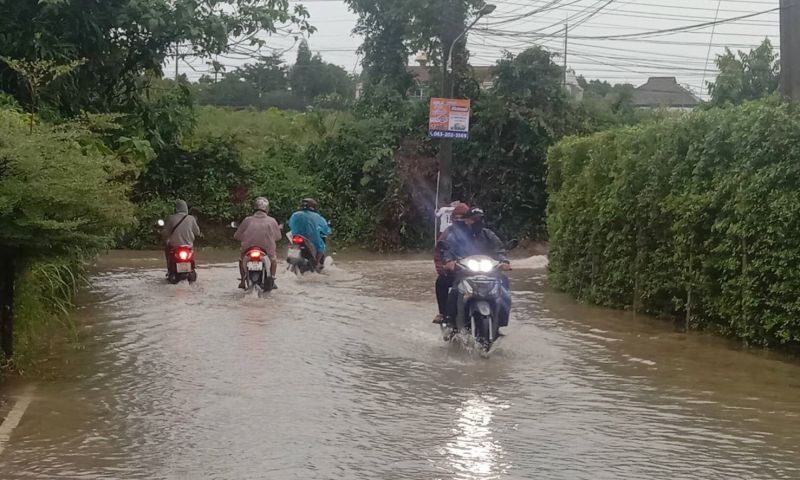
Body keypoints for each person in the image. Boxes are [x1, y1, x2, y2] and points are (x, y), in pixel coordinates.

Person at [439, 207, 512, 327]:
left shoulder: (488, 235)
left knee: (504, 283)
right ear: (466, 220)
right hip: (464, 272)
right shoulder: (456, 236)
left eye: (480, 219)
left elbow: (499, 249)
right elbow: (448, 249)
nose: (476, 222)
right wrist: (449, 261)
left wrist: (504, 261)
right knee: (455, 290)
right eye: (473, 219)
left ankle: (501, 320)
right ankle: (449, 320)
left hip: (488, 272)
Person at [432, 202, 470, 324]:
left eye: (463, 217)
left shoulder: (479, 232)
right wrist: (443, 268)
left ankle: (497, 318)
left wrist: (502, 260)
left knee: (502, 282)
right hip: (456, 271)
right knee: (441, 282)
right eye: (457, 217)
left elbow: (494, 248)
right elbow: (439, 252)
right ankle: (443, 313)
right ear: (453, 219)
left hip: (479, 271)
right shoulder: (448, 233)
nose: (460, 220)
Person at [234, 197, 283, 289]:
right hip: (267, 252)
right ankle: (272, 280)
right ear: (267, 208)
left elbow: (237, 236)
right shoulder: (272, 221)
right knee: (274, 260)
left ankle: (242, 281)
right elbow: (278, 237)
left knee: (241, 260)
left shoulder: (247, 220)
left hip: (248, 251)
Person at [287, 198, 332, 270]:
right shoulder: (318, 217)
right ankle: (317, 263)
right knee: (321, 246)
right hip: (311, 240)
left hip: (296, 238)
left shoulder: (295, 215)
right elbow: (326, 230)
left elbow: (290, 224)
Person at [161, 199, 201, 273]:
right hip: (188, 246)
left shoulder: (171, 218)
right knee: (192, 252)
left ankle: (169, 268)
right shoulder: (191, 218)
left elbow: (165, 233)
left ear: (176, 208)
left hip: (174, 246)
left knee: (167, 248)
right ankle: (192, 267)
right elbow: (197, 232)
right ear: (186, 208)